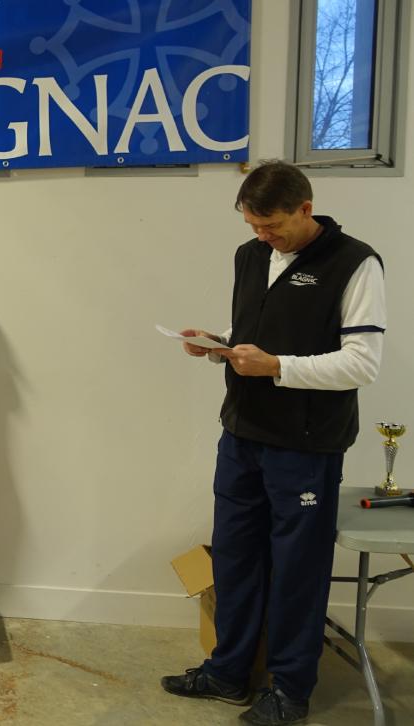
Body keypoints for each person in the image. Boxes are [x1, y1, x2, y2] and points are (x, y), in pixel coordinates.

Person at [161, 161, 386, 725]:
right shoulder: (250, 255)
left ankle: (289, 691)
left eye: (273, 226)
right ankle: (227, 671)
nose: (263, 237)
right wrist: (218, 342)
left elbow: (362, 363)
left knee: (297, 571)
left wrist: (277, 366)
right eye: (253, 226)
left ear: (305, 209)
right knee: (235, 558)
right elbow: (257, 333)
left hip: (306, 446)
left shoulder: (355, 263)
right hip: (241, 433)